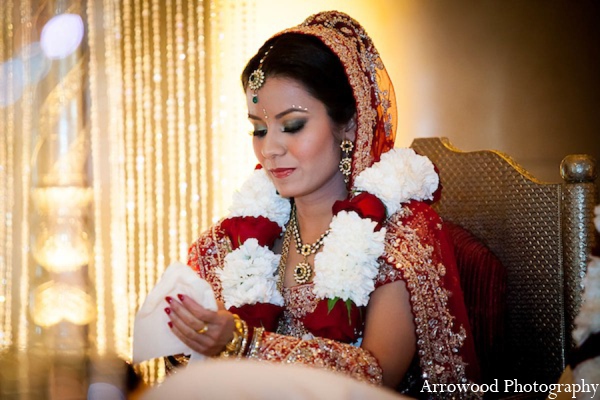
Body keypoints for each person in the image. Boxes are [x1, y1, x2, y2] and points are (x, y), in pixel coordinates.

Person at [163, 10, 480, 397]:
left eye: (292, 125)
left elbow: (375, 378)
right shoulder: (239, 237)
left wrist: (244, 344)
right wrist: (186, 340)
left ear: (348, 123)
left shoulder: (397, 237)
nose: (270, 148)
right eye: (259, 129)